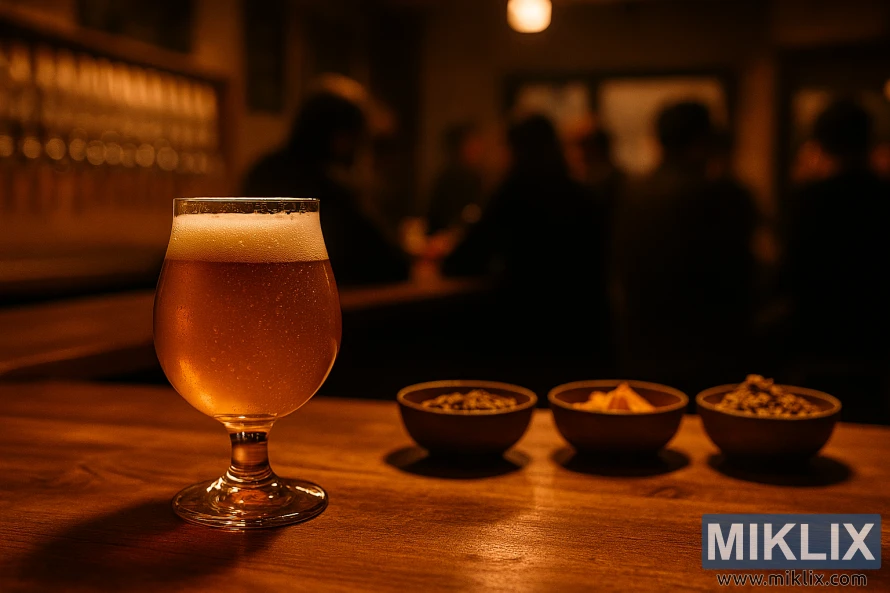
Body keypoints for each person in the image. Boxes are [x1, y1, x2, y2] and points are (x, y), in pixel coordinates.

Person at [443, 114, 610, 389]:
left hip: (525, 332)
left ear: (515, 149)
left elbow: (463, 260)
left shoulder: (513, 192)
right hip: (583, 332)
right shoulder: (582, 194)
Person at [611, 101, 759, 394]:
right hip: (708, 355)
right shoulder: (722, 196)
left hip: (640, 349)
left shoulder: (629, 192)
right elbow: (740, 279)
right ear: (703, 141)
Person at [242, 80, 409, 287]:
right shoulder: (329, 188)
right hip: (325, 308)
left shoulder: (262, 169)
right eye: (359, 141)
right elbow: (391, 263)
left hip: (255, 298)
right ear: (341, 138)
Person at [783, 99, 890, 420]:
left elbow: (788, 276)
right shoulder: (882, 197)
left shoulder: (809, 199)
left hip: (814, 341)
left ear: (819, 143)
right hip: (876, 341)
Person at [426, 123, 486, 235]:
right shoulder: (453, 178)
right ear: (459, 147)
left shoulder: (474, 176)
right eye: (472, 143)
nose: (479, 149)